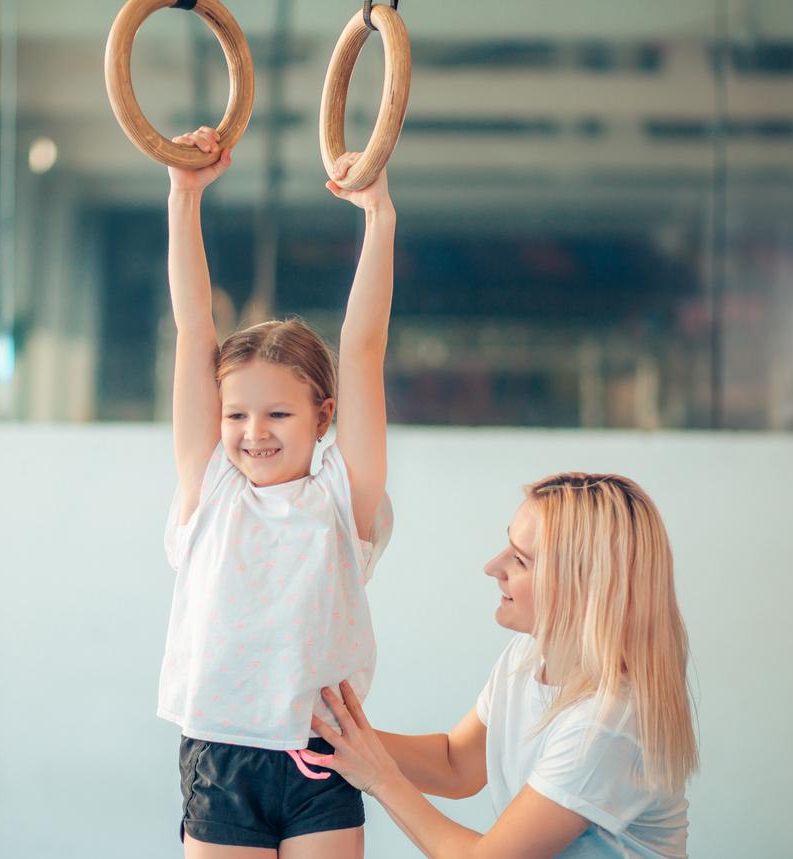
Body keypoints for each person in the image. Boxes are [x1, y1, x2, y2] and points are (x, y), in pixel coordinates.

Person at [160, 126, 397, 858]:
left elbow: (361, 347)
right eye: (236, 414)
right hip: (223, 753)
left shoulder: (341, 500)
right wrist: (183, 195)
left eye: (278, 414)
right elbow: (194, 326)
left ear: (324, 416)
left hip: (321, 753)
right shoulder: (212, 488)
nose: (252, 432)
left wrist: (378, 216)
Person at [303, 474, 698, 858]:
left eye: (520, 561)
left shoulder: (606, 724)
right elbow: (455, 764)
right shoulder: (525, 657)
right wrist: (323, 732)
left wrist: (380, 778)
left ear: (584, 588)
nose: (493, 566)